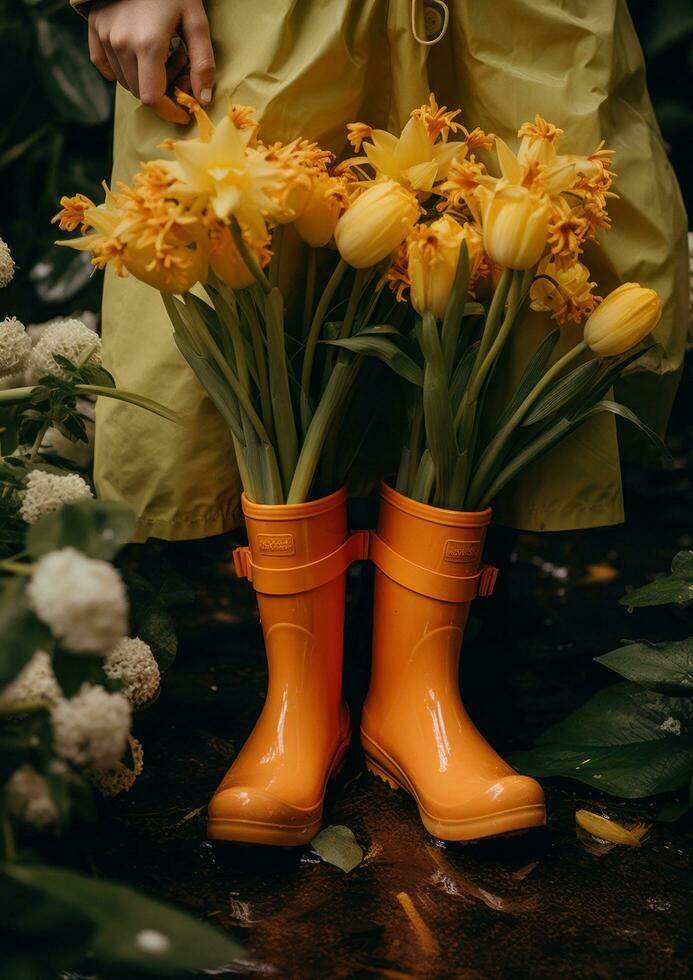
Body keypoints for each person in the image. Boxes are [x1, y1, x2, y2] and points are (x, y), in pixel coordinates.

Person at [74, 0, 688, 542]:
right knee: (241, 246)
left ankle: (433, 655)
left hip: (514, 23)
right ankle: (298, 657)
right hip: (268, 22)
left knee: (526, 281)